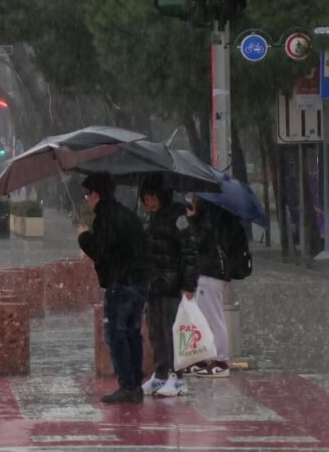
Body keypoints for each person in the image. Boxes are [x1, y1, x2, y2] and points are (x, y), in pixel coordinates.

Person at [77, 172, 149, 404]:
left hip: (121, 283)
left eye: (88, 194)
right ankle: (135, 384)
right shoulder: (127, 214)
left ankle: (127, 385)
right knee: (132, 333)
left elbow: (104, 254)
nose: (87, 199)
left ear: (96, 194)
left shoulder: (105, 218)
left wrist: (84, 238)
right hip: (139, 282)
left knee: (115, 334)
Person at [138, 177, 198, 397]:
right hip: (153, 285)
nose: (150, 203)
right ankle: (160, 372)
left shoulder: (178, 216)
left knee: (173, 331)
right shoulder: (148, 217)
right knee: (155, 332)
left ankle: (177, 376)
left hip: (174, 285)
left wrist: (188, 284)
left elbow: (190, 251)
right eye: (146, 199)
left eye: (153, 198)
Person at [184, 197, 232, 378]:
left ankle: (220, 360)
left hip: (210, 275)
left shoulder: (207, 224)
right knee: (202, 319)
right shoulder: (210, 221)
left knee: (213, 318)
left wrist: (191, 220)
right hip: (207, 274)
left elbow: (199, 243)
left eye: (194, 203)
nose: (191, 206)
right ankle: (203, 358)